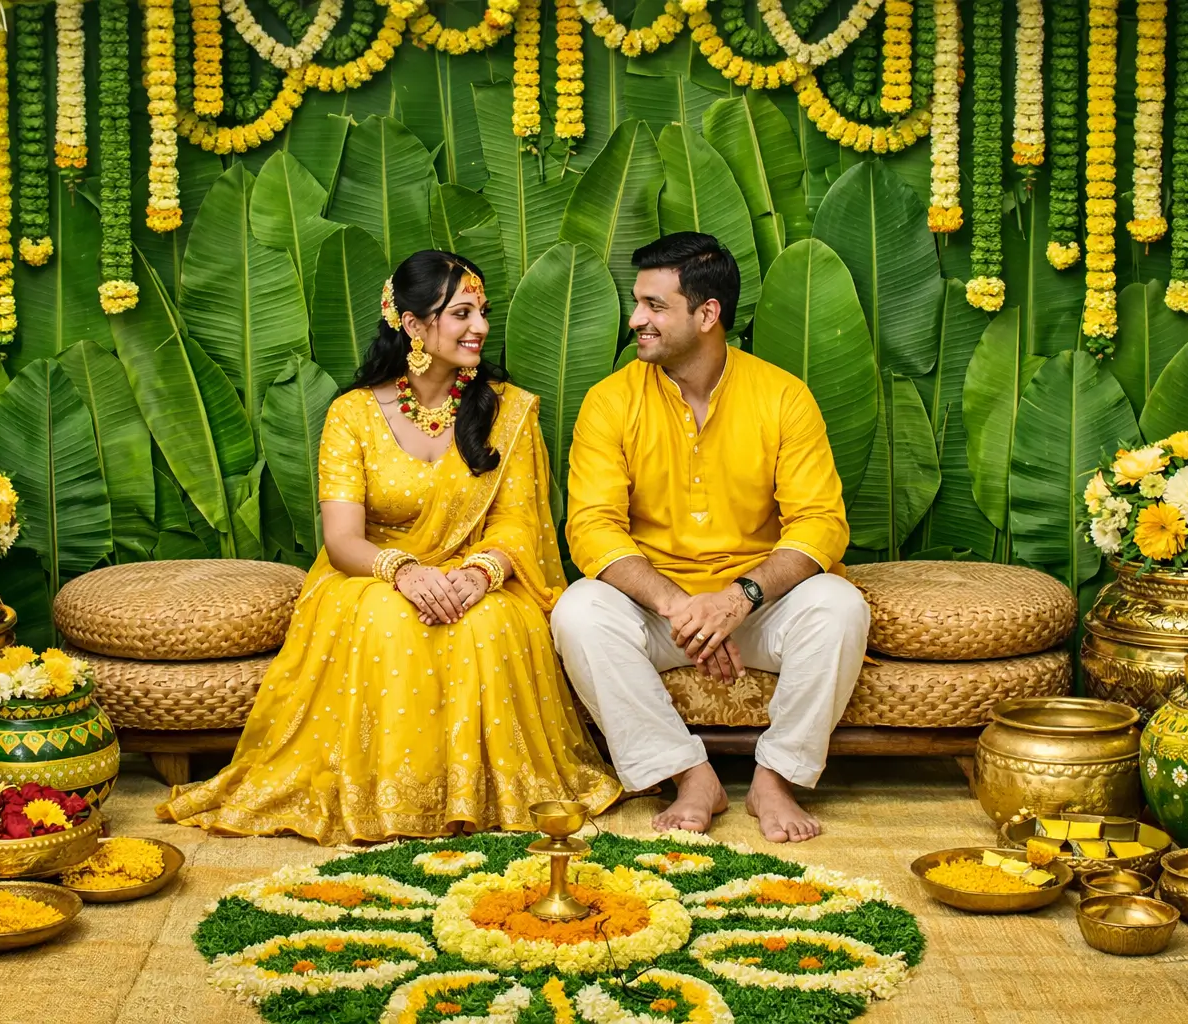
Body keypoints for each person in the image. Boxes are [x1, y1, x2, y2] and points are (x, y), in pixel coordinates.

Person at [159, 250, 621, 845]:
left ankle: (478, 793)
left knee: (495, 623)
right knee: (385, 619)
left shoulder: (508, 411)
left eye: (482, 311)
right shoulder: (351, 415)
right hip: (372, 574)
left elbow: (519, 525)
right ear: (412, 326)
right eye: (461, 313)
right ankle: (391, 798)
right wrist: (401, 571)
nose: (480, 326)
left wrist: (481, 572)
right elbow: (343, 539)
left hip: (476, 572)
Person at [551, 232, 870, 844]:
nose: (636, 318)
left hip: (756, 610)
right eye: (637, 303)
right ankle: (689, 773)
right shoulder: (610, 402)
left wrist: (736, 600)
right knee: (579, 611)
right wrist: (682, 608)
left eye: (654, 306)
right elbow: (591, 526)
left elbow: (820, 523)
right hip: (658, 614)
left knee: (838, 606)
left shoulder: (782, 396)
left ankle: (776, 777)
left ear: (707, 314)